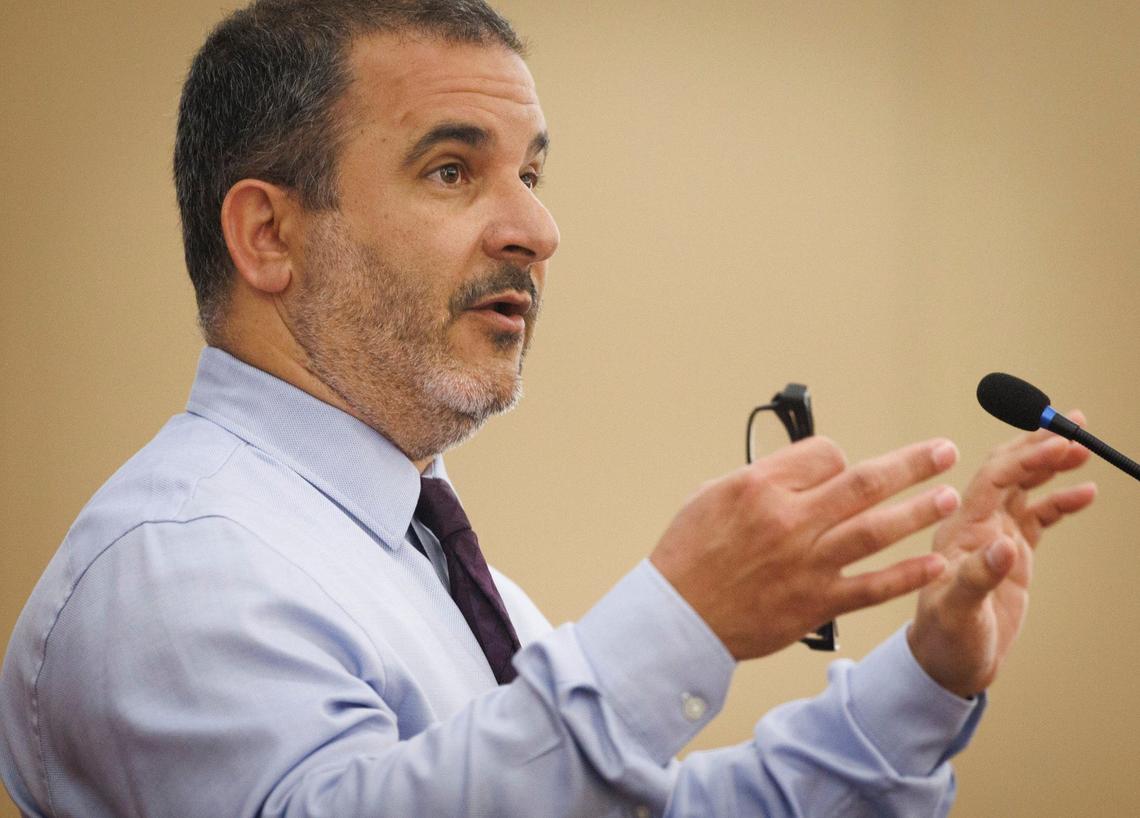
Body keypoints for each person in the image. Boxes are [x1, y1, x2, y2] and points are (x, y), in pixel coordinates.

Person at [0, 1, 1097, 816]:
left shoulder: (417, 551)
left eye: (531, 170)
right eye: (450, 170)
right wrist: (680, 618)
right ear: (269, 236)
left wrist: (928, 678)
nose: (537, 226)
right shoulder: (175, 567)